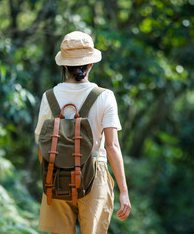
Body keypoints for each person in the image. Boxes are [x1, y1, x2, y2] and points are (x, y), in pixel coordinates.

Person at [34, 31, 131, 234]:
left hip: (57, 173)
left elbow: (41, 144)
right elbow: (112, 146)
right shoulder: (105, 97)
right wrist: (124, 191)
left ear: (64, 65)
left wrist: (50, 174)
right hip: (94, 176)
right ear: (90, 64)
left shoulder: (49, 96)